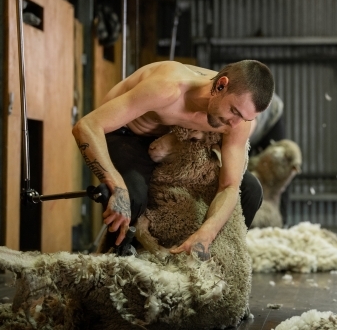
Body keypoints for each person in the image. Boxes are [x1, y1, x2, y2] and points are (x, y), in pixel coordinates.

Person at [72, 60, 274, 258]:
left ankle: (217, 260)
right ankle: (119, 260)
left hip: (174, 140)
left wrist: (206, 234)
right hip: (127, 133)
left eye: (245, 118)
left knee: (250, 190)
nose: (234, 124)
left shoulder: (237, 123)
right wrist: (116, 184)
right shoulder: (168, 87)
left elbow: (229, 186)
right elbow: (88, 126)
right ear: (221, 85)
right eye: (234, 111)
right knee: (131, 198)